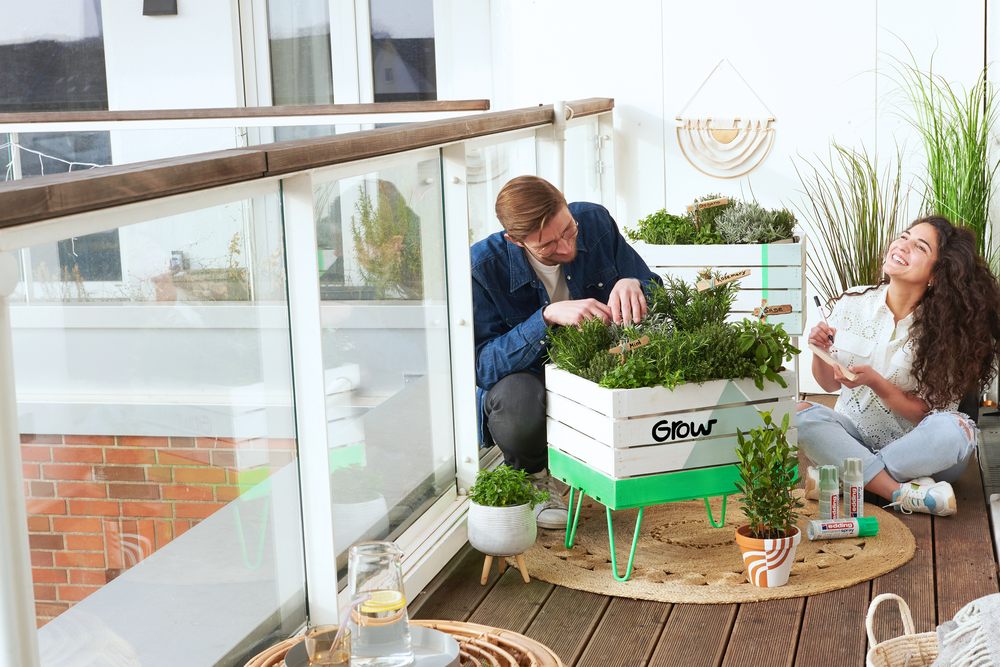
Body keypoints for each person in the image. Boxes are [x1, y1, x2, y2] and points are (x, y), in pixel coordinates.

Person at [471, 175, 662, 529]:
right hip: (532, 382)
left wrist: (632, 282)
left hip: (600, 365)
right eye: (546, 246)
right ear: (515, 241)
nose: (564, 248)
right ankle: (535, 477)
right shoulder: (483, 268)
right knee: (515, 397)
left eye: (568, 231)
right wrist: (544, 318)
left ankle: (614, 462)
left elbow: (654, 288)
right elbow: (483, 366)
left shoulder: (594, 222)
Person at [798, 215, 1000, 516]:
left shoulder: (950, 329)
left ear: (936, 273)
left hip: (920, 453)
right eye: (903, 237)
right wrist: (820, 351)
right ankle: (901, 492)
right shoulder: (852, 302)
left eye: (919, 246)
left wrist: (876, 382)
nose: (902, 246)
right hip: (854, 435)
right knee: (799, 415)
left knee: (956, 430)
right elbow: (828, 385)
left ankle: (849, 478)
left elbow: (926, 415)